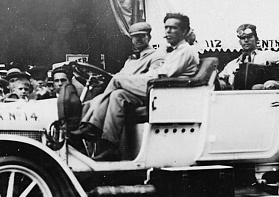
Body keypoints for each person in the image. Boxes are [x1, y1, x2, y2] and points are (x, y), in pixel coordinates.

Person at [72, 14, 199, 160]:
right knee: (117, 95)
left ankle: (91, 126)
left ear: (184, 31)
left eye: (173, 28)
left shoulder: (184, 51)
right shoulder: (174, 51)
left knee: (117, 80)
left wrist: (131, 79)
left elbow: (163, 75)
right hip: (159, 88)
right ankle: (110, 144)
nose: (168, 31)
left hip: (164, 91)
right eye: (166, 28)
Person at [217, 24, 274, 89]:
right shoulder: (233, 64)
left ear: (256, 39)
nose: (246, 40)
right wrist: (221, 81)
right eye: (243, 38)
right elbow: (220, 77)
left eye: (249, 37)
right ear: (240, 42)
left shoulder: (266, 56)